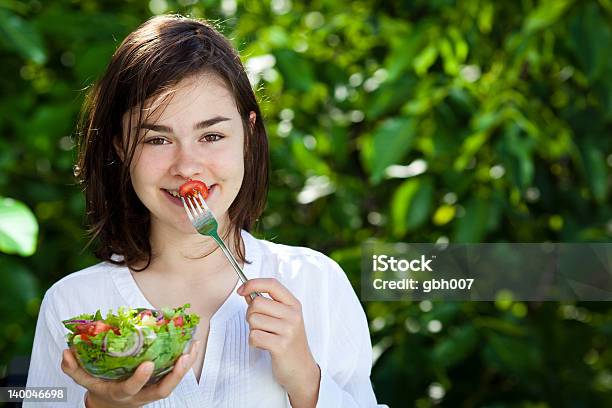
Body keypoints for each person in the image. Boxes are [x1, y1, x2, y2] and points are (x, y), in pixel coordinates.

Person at [25, 14, 383, 408]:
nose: (187, 166)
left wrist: (305, 381)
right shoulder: (73, 304)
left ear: (247, 134)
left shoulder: (315, 283)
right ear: (120, 148)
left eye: (211, 135)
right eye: (158, 140)